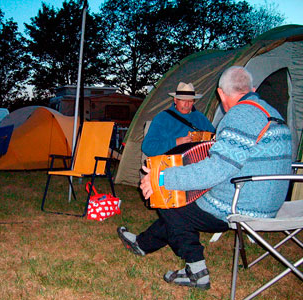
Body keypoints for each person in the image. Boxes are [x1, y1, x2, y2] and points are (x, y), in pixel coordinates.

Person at [117, 66, 292, 289]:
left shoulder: (240, 115)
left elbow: (215, 170)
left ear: (220, 94)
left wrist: (161, 179)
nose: (187, 104)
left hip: (240, 203)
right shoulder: (272, 113)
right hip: (270, 203)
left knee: (168, 199)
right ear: (253, 89)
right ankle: (143, 244)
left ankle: (196, 270)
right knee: (181, 202)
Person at [142, 82, 215, 157]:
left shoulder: (200, 118)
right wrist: (176, 142)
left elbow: (216, 139)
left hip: (199, 163)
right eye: (183, 100)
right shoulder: (162, 118)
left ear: (193, 102)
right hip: (173, 164)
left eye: (190, 101)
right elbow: (147, 148)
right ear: (175, 100)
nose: (186, 105)